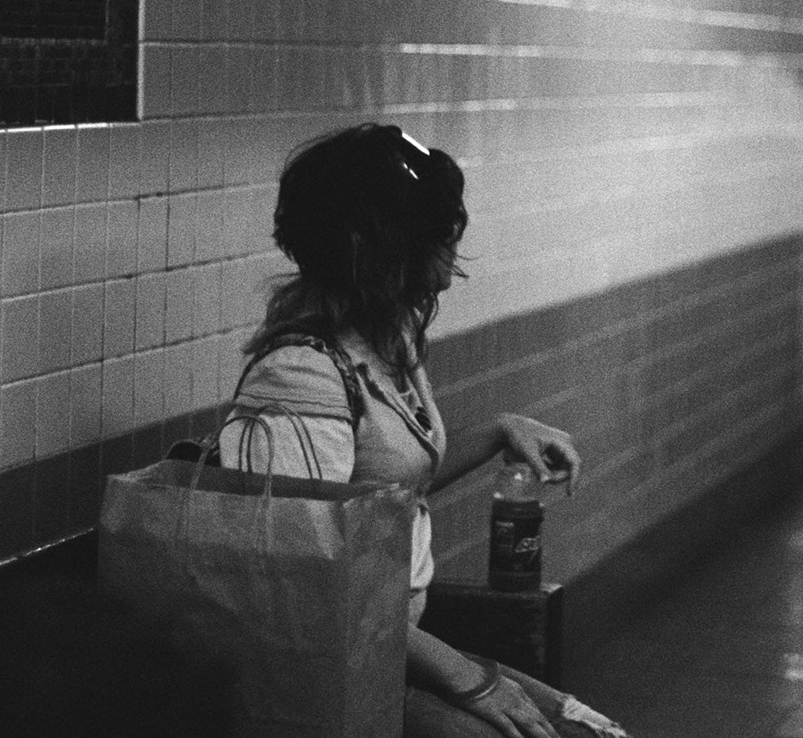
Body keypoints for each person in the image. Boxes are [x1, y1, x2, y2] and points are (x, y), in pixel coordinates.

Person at [219, 123, 630, 738]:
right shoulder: (300, 378)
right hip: (316, 672)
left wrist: (498, 430)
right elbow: (311, 581)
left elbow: (383, 496)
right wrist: (471, 680)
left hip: (383, 648)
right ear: (382, 252)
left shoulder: (387, 339)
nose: (447, 272)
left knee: (586, 730)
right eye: (436, 244)